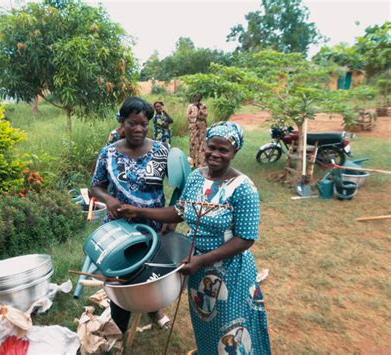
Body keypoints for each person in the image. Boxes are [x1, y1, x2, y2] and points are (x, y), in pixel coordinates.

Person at [118, 121, 271, 355]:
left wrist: (203, 259)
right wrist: (139, 211)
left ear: (234, 152)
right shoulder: (197, 177)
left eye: (223, 150)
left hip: (230, 273)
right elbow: (180, 211)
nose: (215, 154)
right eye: (212, 147)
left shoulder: (243, 188)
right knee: (205, 323)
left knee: (232, 327)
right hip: (196, 267)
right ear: (204, 146)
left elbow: (245, 239)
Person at [90, 97, 171, 333]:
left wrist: (172, 221)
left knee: (152, 273)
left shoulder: (161, 152)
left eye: (144, 124)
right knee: (121, 278)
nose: (138, 129)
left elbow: (180, 185)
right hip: (120, 229)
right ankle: (119, 324)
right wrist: (110, 200)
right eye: (132, 123)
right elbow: (95, 186)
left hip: (153, 226)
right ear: (122, 122)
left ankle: (153, 309)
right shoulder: (109, 153)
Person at [187, 94, 208, 168]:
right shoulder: (191, 106)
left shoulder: (203, 106)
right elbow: (188, 116)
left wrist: (199, 111)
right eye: (195, 97)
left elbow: (205, 115)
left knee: (202, 143)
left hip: (202, 126)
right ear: (194, 98)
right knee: (193, 143)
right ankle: (192, 163)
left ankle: (200, 163)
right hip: (193, 127)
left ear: (201, 98)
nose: (197, 98)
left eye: (199, 97)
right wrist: (197, 116)